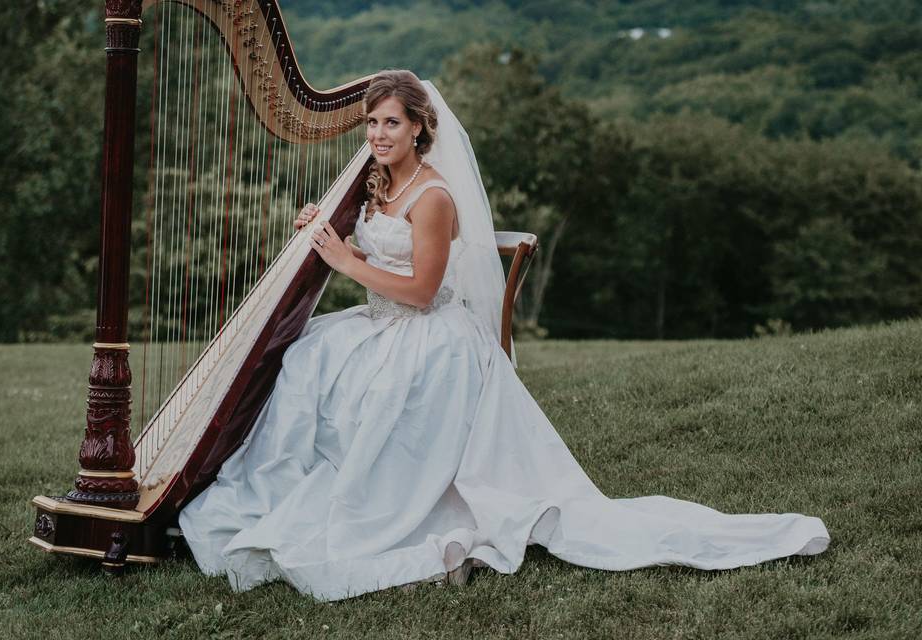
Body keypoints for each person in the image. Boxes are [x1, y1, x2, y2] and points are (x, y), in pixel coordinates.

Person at [178, 70, 829, 601]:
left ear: (419, 128)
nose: (378, 133)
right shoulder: (376, 182)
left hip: (430, 335)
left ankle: (401, 521)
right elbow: (380, 259)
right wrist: (331, 231)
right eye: (371, 123)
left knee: (370, 399)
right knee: (303, 360)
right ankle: (263, 490)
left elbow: (423, 291)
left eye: (391, 123)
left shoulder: (433, 198)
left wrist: (344, 261)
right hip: (379, 326)